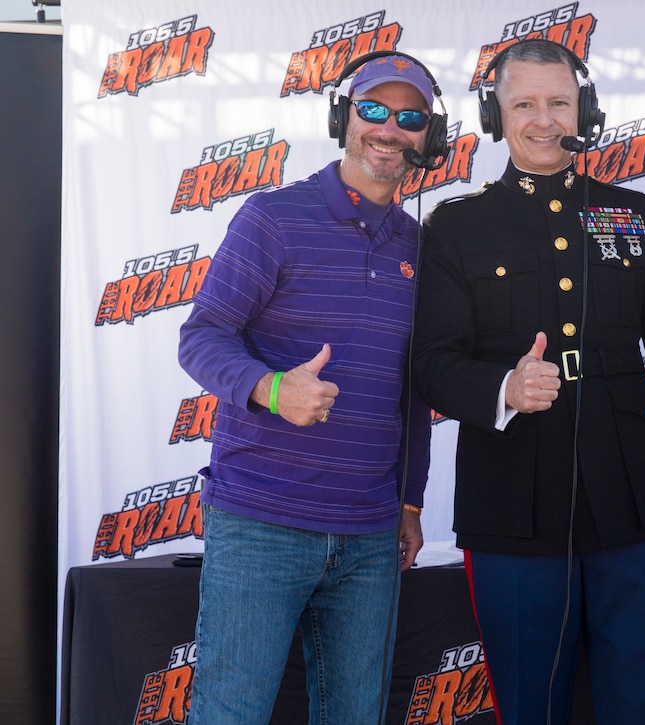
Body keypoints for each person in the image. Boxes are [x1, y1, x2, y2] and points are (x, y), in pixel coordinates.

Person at [412, 39, 645, 725]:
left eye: (559, 102)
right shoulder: (456, 227)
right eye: (524, 104)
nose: (544, 119)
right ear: (497, 116)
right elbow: (431, 363)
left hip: (638, 503)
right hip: (512, 509)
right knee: (531, 703)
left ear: (586, 109)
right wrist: (504, 389)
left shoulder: (632, 214)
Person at [177, 52, 440, 724]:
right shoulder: (272, 219)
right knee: (229, 713)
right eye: (373, 109)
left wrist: (409, 503)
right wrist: (269, 389)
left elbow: (413, 392)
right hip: (260, 523)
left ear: (427, 136)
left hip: (371, 537)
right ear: (343, 118)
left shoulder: (423, 250)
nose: (389, 128)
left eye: (408, 117)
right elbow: (201, 337)